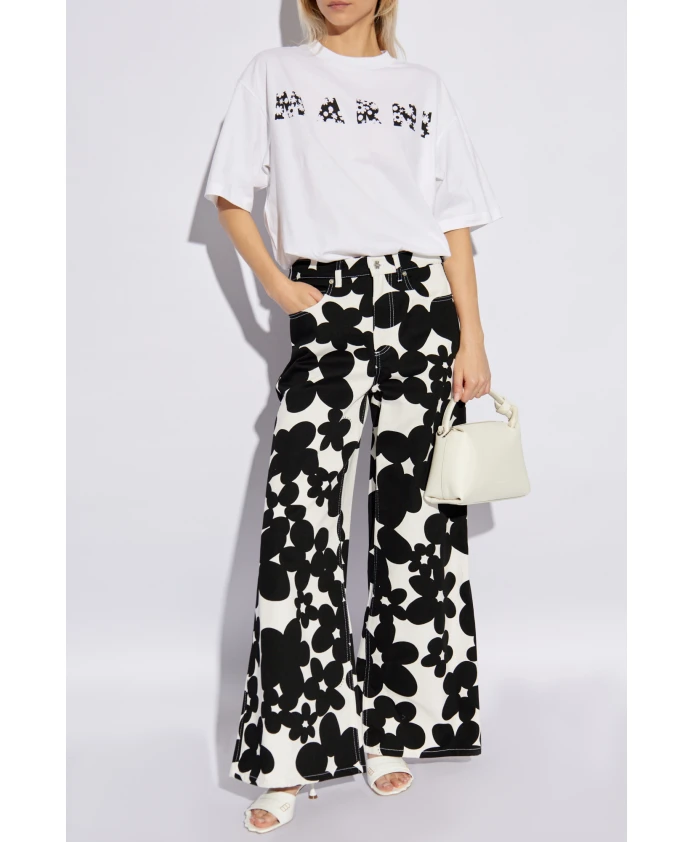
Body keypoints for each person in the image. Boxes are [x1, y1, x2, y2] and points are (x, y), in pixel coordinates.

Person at [204, 0, 501, 832]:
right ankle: (289, 753)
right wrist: (278, 286)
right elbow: (230, 194)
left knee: (415, 519)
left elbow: (453, 224)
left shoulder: (422, 86)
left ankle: (393, 724)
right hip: (326, 303)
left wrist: (472, 339)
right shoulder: (274, 74)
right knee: (299, 521)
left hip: (419, 306)